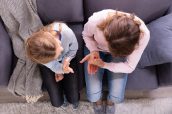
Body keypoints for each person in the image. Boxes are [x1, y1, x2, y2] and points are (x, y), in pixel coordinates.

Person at [80, 9, 150, 114]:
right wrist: (94, 51)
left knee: (117, 96)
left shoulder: (143, 35)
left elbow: (129, 67)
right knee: (93, 95)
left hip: (121, 53)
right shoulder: (96, 21)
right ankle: (97, 102)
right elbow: (86, 35)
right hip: (96, 48)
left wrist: (104, 64)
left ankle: (110, 102)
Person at [26, 22, 79, 109]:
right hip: (52, 64)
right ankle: (62, 97)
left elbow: (73, 49)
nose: (62, 48)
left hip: (69, 57)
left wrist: (65, 61)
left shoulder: (67, 32)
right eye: (57, 54)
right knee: (56, 103)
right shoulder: (41, 57)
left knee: (73, 98)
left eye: (59, 44)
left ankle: (72, 98)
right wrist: (60, 70)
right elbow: (53, 65)